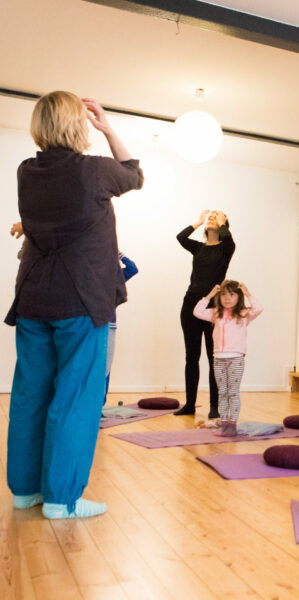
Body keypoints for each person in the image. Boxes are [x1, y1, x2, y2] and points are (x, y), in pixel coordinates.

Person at [5, 91, 143, 519]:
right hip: (80, 298)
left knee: (31, 393)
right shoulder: (94, 171)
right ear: (77, 124)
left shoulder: (27, 171)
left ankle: (25, 491)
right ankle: (62, 499)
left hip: (32, 296)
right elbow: (134, 175)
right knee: (76, 396)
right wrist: (108, 128)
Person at [175, 210, 235, 418]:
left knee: (213, 358)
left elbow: (228, 239)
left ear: (224, 224)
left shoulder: (226, 248)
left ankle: (214, 407)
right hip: (190, 306)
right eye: (211, 216)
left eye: (217, 217)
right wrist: (199, 222)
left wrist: (222, 223)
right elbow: (181, 237)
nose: (212, 217)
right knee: (191, 357)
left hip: (213, 309)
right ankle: (190, 404)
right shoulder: (198, 248)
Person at [193, 280, 262, 436]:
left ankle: (232, 425)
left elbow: (259, 308)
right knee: (222, 392)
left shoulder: (244, 314)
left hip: (236, 358)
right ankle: (225, 424)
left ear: (238, 296)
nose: (227, 298)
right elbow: (197, 311)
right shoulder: (216, 313)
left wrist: (247, 292)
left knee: (233, 392)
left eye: (232, 294)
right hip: (218, 358)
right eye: (223, 294)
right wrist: (210, 294)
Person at [104, 251, 138, 403]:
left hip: (109, 326)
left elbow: (132, 268)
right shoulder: (91, 275)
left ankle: (100, 403)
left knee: (106, 366)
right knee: (97, 366)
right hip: (93, 325)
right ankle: (95, 404)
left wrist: (117, 252)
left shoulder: (115, 278)